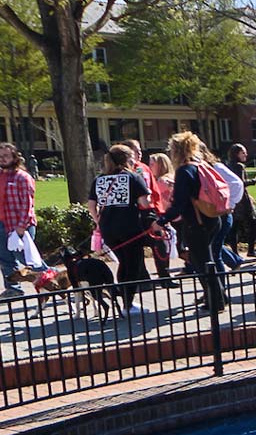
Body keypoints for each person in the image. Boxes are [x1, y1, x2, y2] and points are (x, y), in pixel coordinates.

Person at [164, 131, 226, 312]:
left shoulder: (184, 171)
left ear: (176, 151)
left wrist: (162, 220)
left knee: (202, 264)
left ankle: (215, 302)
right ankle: (219, 297)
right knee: (209, 260)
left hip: (196, 222)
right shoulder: (201, 165)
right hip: (212, 218)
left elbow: (180, 203)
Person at [86, 143, 153, 310]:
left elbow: (91, 205)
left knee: (123, 262)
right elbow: (145, 202)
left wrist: (98, 222)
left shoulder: (99, 179)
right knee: (132, 265)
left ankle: (124, 299)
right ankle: (128, 303)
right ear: (126, 159)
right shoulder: (132, 177)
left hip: (108, 229)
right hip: (129, 227)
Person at [0, 141, 41, 297]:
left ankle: (55, 280)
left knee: (29, 260)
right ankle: (13, 289)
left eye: (6, 156)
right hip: (1, 224)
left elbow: (27, 204)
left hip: (19, 226)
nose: (2, 159)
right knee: (4, 257)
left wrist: (22, 226)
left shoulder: (23, 177)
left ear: (14, 157)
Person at [146, 151, 176, 279]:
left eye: (152, 164)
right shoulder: (172, 178)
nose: (149, 166)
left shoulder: (161, 181)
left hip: (168, 216)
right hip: (176, 215)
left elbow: (161, 202)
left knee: (166, 246)